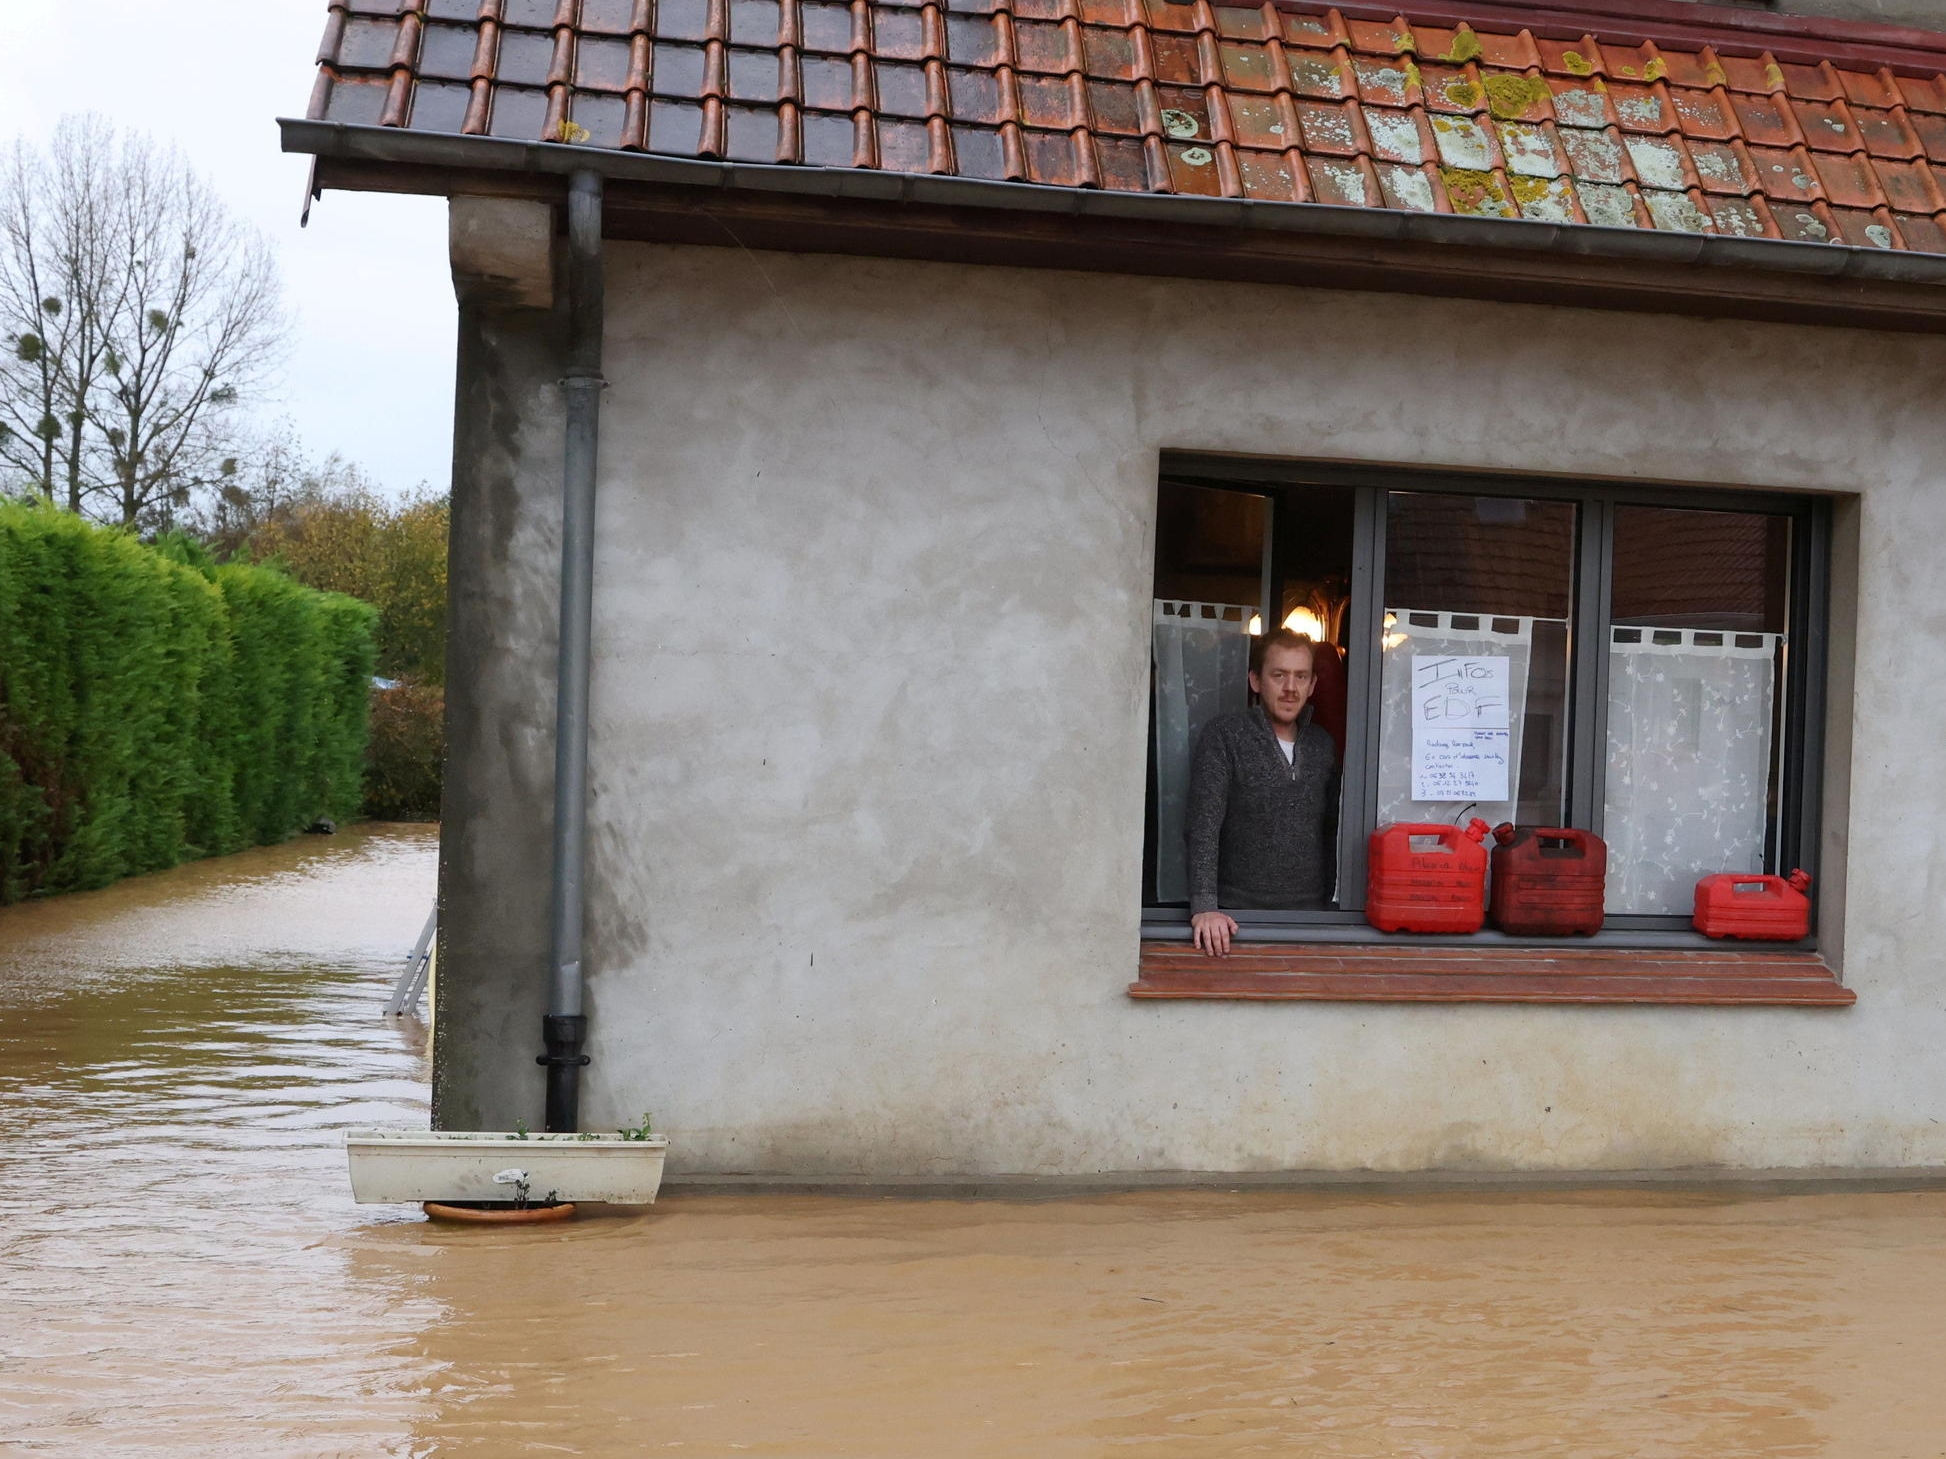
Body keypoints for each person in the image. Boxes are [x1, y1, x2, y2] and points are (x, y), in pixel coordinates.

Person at [1185, 629, 1340, 956]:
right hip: (1233, 921)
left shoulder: (1323, 746)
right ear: (1255, 681)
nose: (1290, 688)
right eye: (1279, 675)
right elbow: (1203, 826)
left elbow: (1332, 832)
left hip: (1311, 920)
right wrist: (1205, 906)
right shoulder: (1225, 736)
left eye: (1301, 677)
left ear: (1312, 685)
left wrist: (1333, 912)